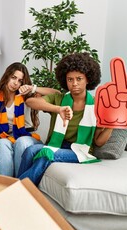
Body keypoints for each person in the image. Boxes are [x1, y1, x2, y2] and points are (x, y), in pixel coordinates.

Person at [17, 52, 113, 186]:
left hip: (79, 151)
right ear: (65, 80)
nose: (74, 83)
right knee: (30, 150)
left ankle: (17, 188)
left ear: (88, 79)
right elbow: (31, 102)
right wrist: (58, 109)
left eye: (79, 79)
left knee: (47, 154)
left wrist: (111, 124)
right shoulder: (60, 99)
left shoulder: (97, 106)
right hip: (57, 144)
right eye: (70, 79)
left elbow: (98, 141)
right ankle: (20, 186)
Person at [0, 62, 60, 177]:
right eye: (13, 77)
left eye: (20, 81)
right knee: (0, 143)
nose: (15, 83)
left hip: (28, 137)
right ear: (7, 76)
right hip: (6, 136)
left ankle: (20, 182)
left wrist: (32, 88)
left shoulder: (27, 96)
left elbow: (57, 94)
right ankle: (7, 184)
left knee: (21, 141)